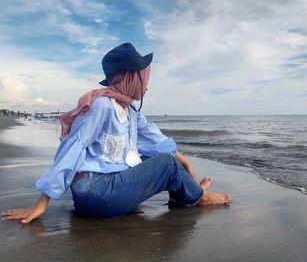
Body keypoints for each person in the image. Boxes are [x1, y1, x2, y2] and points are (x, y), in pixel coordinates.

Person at [2, 43, 230, 224]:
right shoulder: (102, 107)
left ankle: (188, 194)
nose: (148, 85)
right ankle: (199, 196)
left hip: (106, 190)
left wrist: (186, 162)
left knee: (168, 161)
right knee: (167, 165)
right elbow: (73, 148)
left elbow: (155, 139)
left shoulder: (129, 111)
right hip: (94, 193)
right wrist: (42, 202)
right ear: (130, 77)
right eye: (146, 78)